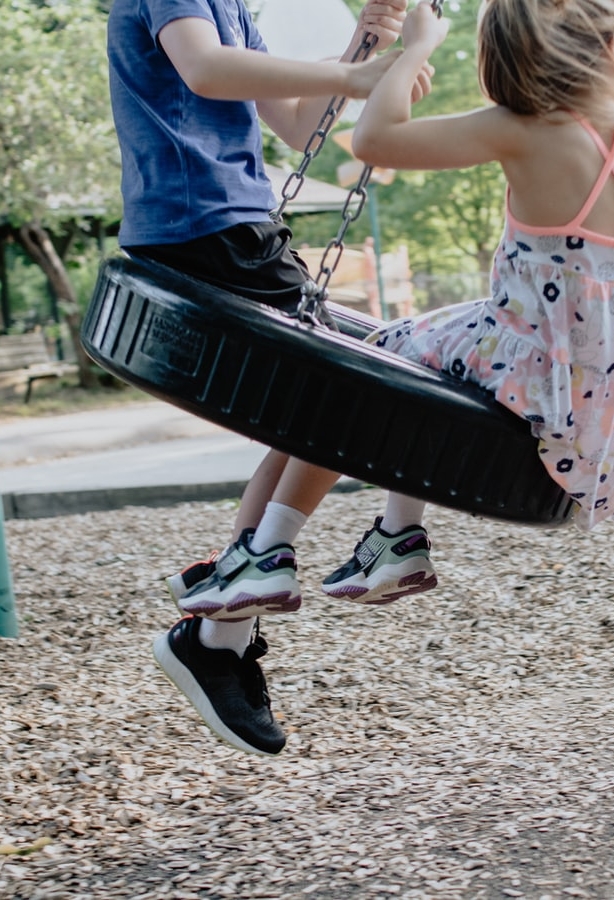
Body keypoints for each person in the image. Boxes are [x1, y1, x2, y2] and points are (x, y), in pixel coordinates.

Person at [162, 0, 614, 756]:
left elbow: (374, 139)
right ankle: (392, 534)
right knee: (417, 366)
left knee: (375, 365)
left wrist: (413, 49)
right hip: (608, 418)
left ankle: (279, 546)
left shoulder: (520, 130)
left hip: (523, 367)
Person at [107, 0, 434, 756]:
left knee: (318, 415)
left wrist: (373, 44)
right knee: (358, 389)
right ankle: (234, 625)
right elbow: (204, 68)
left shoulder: (234, 8)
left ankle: (222, 634)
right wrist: (355, 72)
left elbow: (296, 127)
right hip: (204, 229)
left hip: (236, 228)